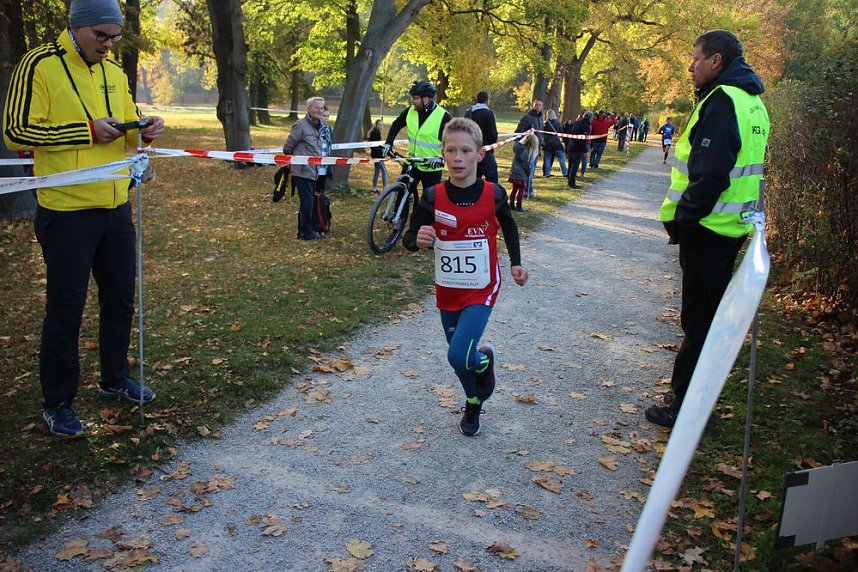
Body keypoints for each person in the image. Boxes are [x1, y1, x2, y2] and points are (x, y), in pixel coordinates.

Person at [3, 0, 165, 438]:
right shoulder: (39, 63)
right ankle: (58, 402)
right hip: (66, 211)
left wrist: (143, 128)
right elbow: (14, 130)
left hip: (115, 205)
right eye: (101, 36)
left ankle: (114, 379)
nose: (109, 46)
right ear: (76, 28)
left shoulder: (114, 72)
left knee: (120, 299)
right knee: (66, 309)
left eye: (115, 37)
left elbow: (121, 126)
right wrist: (85, 131)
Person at [645, 29, 770, 428]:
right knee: (707, 320)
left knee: (698, 322)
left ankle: (685, 408)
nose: (690, 66)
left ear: (716, 61)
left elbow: (711, 174)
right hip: (730, 228)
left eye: (696, 58)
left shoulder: (721, 102)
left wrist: (683, 220)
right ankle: (692, 400)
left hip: (707, 230)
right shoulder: (752, 102)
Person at [403, 118, 529, 436]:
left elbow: (510, 226)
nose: (458, 158)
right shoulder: (432, 197)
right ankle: (475, 396)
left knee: (457, 353)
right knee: (463, 359)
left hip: (482, 287)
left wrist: (515, 262)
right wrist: (417, 238)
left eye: (465, 151)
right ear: (443, 154)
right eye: (451, 150)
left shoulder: (494, 194)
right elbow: (408, 236)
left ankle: (477, 379)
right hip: (448, 291)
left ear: (479, 155)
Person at [383, 80, 452, 225]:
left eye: (415, 98)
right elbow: (396, 125)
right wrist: (388, 143)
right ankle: (398, 221)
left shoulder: (443, 116)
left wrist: (442, 158)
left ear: (425, 98)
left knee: (429, 199)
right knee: (402, 189)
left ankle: (426, 229)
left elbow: (452, 142)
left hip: (432, 166)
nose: (412, 101)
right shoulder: (410, 111)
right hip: (412, 161)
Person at [283, 96, 327, 240]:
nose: (319, 110)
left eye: (321, 108)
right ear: (309, 109)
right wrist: (298, 161)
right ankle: (306, 232)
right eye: (316, 107)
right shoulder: (300, 125)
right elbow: (287, 147)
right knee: (307, 203)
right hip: (302, 171)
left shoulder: (321, 126)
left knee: (309, 203)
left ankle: (304, 230)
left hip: (315, 170)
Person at [464, 91, 499, 183]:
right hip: (486, 152)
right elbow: (493, 134)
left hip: (471, 152)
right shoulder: (488, 114)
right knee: (492, 181)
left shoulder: (468, 113)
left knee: (472, 180)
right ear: (487, 101)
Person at [514, 100, 544, 197]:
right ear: (533, 105)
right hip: (528, 149)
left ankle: (529, 189)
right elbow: (518, 132)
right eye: (536, 104)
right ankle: (527, 191)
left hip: (536, 148)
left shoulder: (540, 118)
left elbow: (540, 134)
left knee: (532, 170)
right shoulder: (527, 118)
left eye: (540, 105)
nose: (538, 106)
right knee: (528, 170)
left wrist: (540, 146)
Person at [508, 132, 540, 211]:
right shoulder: (525, 152)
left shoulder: (519, 148)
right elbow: (526, 164)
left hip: (515, 172)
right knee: (521, 190)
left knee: (514, 189)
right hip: (521, 174)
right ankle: (519, 205)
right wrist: (528, 172)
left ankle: (511, 204)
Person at [566, 111, 592, 189]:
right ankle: (571, 182)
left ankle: (569, 180)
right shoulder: (585, 125)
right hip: (578, 147)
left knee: (570, 164)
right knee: (575, 165)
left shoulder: (576, 122)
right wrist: (585, 151)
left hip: (571, 145)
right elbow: (583, 139)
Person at [541, 110, 568, 178]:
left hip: (547, 144)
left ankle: (547, 173)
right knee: (561, 158)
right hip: (556, 143)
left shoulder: (545, 124)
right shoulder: (557, 123)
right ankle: (565, 172)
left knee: (547, 159)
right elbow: (561, 131)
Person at [316, 106, 333, 193]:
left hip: (324, 166)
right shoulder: (315, 129)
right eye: (324, 115)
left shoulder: (329, 129)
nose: (326, 118)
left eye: (327, 116)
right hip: (314, 166)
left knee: (320, 191)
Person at [367, 119, 387, 193]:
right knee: (384, 171)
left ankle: (374, 188)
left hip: (377, 155)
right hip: (377, 156)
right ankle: (385, 189)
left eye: (382, 124)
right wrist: (382, 150)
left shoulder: (376, 132)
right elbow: (375, 146)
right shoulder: (375, 133)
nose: (381, 126)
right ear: (376, 125)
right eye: (380, 124)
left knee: (377, 172)